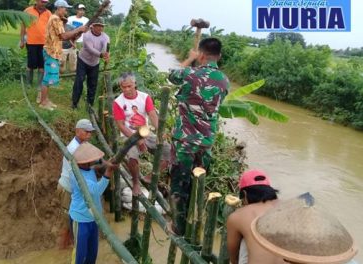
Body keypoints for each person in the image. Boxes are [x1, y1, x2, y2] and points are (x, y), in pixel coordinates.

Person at [168, 37, 230, 236]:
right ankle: (196, 225)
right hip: (206, 144)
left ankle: (178, 227)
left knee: (179, 187)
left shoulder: (189, 74)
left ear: (201, 54)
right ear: (218, 56)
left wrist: (189, 59)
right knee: (198, 185)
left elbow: (171, 76)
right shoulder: (224, 79)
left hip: (185, 143)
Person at [112, 72, 171, 195]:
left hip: (146, 133)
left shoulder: (145, 97)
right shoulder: (118, 102)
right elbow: (121, 125)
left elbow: (153, 116)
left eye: (129, 86)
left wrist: (160, 132)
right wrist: (136, 140)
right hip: (128, 136)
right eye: (124, 87)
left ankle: (149, 177)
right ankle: (135, 182)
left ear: (135, 84)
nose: (127, 89)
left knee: (169, 152)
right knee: (132, 157)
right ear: (120, 87)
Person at [69, 142, 117, 264]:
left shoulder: (88, 168)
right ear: (85, 161)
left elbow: (98, 167)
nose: (93, 161)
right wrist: (107, 175)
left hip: (93, 218)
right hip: (81, 219)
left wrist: (108, 164)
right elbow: (96, 191)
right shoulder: (77, 175)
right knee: (80, 255)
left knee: (92, 253)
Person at [226, 169, 284, 264]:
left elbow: (233, 258)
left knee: (248, 238)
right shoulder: (288, 207)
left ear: (244, 194)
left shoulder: (238, 216)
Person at [40, 0, 87, 110]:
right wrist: (79, 29)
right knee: (47, 78)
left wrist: (76, 32)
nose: (66, 11)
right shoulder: (55, 19)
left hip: (53, 51)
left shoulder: (56, 19)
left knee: (49, 77)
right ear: (59, 8)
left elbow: (63, 35)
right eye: (65, 8)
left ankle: (46, 100)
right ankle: (43, 102)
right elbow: (64, 36)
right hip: (51, 51)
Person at [57, 119, 95, 249]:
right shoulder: (74, 148)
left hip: (71, 188)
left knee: (72, 221)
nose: (89, 135)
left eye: (90, 132)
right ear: (77, 131)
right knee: (66, 223)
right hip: (67, 189)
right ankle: (61, 250)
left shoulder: (82, 145)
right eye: (86, 132)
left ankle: (70, 246)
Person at [71, 18, 110, 109]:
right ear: (92, 27)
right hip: (83, 61)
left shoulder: (105, 37)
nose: (100, 28)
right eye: (98, 26)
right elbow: (90, 49)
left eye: (102, 26)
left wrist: (106, 55)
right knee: (79, 81)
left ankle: (90, 105)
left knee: (92, 84)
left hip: (94, 63)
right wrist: (101, 55)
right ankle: (74, 103)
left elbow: (106, 48)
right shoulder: (87, 35)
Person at [20, 0, 52, 90]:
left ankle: (39, 85)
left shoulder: (48, 13)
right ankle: (28, 83)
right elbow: (23, 27)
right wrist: (22, 41)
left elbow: (51, 28)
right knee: (30, 64)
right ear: (37, 1)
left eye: (45, 2)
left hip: (44, 43)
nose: (44, 4)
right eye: (42, 2)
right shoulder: (27, 11)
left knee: (42, 65)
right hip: (31, 42)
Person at [66, 3, 89, 72]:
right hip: (70, 40)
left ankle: (77, 70)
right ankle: (67, 70)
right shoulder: (70, 18)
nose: (82, 11)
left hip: (81, 41)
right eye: (80, 10)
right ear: (77, 10)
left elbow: (87, 31)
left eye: (83, 10)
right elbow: (66, 29)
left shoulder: (86, 20)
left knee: (80, 57)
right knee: (68, 57)